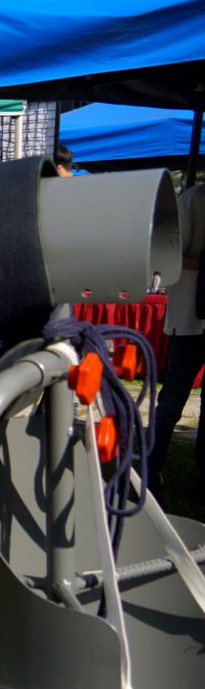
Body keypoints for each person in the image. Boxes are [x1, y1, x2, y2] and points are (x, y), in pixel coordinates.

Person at [146, 184, 205, 496]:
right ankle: (149, 469)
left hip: (196, 318)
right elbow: (168, 255)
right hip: (190, 320)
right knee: (171, 402)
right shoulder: (194, 199)